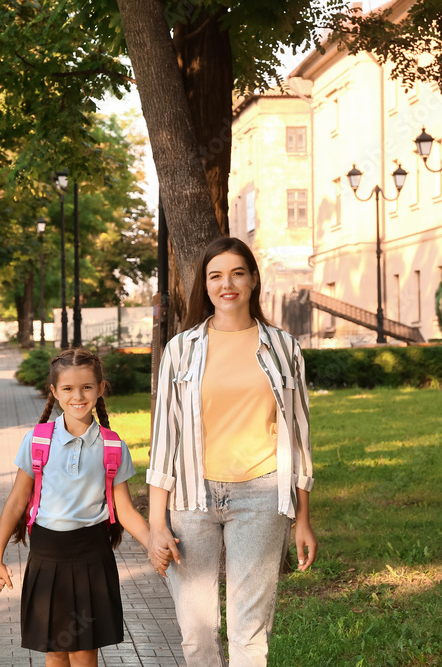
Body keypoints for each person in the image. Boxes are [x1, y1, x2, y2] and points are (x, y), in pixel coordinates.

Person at [147, 236, 317, 667]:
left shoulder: (283, 348)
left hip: (262, 497)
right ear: (204, 285)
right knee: (196, 632)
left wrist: (303, 519)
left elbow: (299, 436)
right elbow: (164, 438)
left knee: (249, 631)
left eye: (238, 273)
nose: (228, 284)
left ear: (254, 280)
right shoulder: (180, 349)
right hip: (192, 499)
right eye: (216, 275)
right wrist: (155, 524)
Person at [0, 348, 150, 667]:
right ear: (55, 392)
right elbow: (17, 501)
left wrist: (154, 543)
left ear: (100, 389)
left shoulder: (112, 445)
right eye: (69, 388)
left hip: (91, 559)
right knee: (54, 650)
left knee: (84, 651)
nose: (78, 395)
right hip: (47, 558)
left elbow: (125, 509)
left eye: (86, 387)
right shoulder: (37, 441)